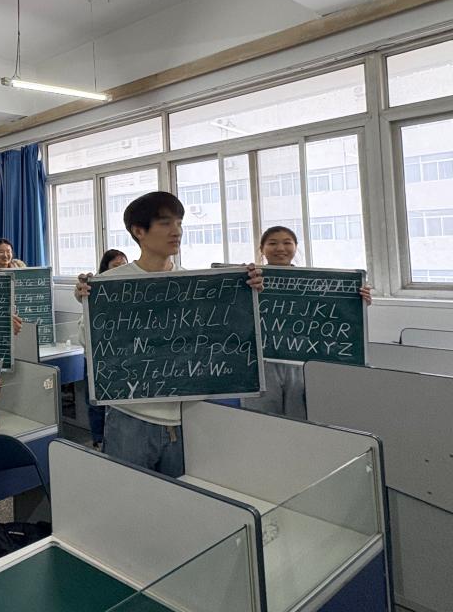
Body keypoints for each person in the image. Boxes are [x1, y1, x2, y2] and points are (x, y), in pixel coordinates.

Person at [75, 192, 262, 477]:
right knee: (129, 493)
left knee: (180, 496)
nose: (177, 231)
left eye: (179, 223)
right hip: (130, 416)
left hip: (185, 416)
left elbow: (223, 341)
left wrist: (247, 296)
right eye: (165, 223)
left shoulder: (194, 284)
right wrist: (88, 304)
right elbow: (89, 344)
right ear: (139, 231)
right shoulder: (110, 284)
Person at [241, 226, 372, 419]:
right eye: (272, 243)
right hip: (260, 361)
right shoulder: (250, 278)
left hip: (301, 359)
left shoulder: (314, 283)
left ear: (296, 247)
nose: (280, 248)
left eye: (287, 243)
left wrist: (358, 302)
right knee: (260, 418)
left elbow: (335, 316)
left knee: (301, 417)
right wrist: (240, 284)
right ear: (262, 249)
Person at [85, 248, 129, 448]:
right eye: (115, 266)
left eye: (124, 265)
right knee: (97, 404)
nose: (120, 269)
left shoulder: (134, 291)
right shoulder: (95, 291)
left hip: (122, 359)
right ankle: (98, 441)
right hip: (97, 358)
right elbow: (85, 332)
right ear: (105, 269)